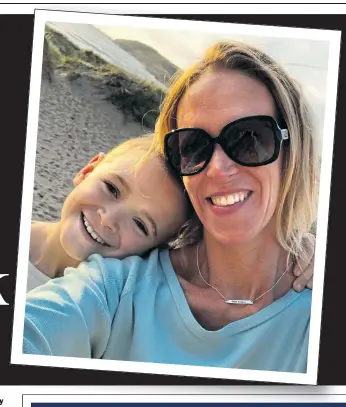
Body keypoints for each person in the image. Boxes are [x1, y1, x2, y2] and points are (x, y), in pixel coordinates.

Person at [23, 41, 317, 373]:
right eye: (193, 146)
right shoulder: (116, 288)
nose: (218, 168)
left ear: (293, 152)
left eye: (249, 138)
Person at [28, 135, 189, 291]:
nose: (108, 219)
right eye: (111, 188)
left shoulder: (100, 316)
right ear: (87, 171)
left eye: (140, 225)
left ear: (154, 251)